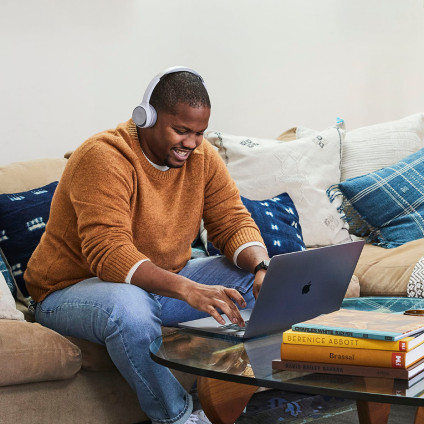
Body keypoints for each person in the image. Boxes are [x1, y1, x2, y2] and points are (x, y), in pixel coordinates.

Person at [24, 66, 270, 424]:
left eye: (199, 133)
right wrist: (188, 289)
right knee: (130, 308)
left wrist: (262, 267)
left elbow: (232, 220)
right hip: (68, 291)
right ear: (146, 117)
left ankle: (223, 398)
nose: (191, 143)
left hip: (161, 281)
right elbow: (108, 252)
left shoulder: (202, 158)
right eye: (181, 130)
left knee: (258, 282)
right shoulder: (104, 157)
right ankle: (177, 417)